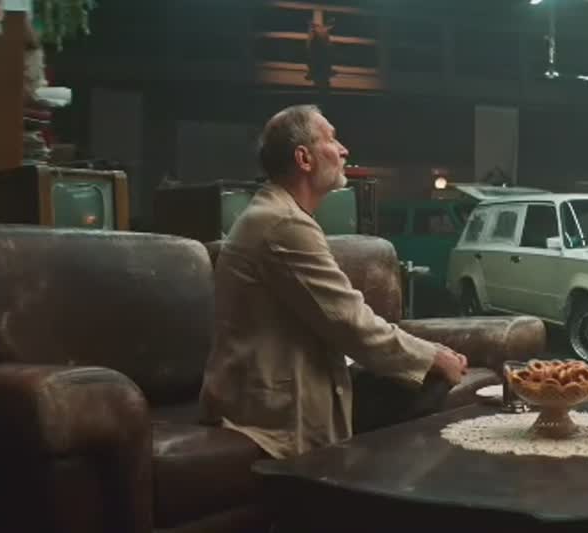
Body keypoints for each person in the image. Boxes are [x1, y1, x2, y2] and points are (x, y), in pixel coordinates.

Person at [200, 104, 469, 459]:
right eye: (331, 139)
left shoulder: (277, 213)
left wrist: (428, 354)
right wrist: (434, 358)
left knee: (417, 375)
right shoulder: (283, 223)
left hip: (273, 387)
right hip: (269, 407)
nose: (344, 150)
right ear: (304, 158)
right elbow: (350, 322)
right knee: (433, 379)